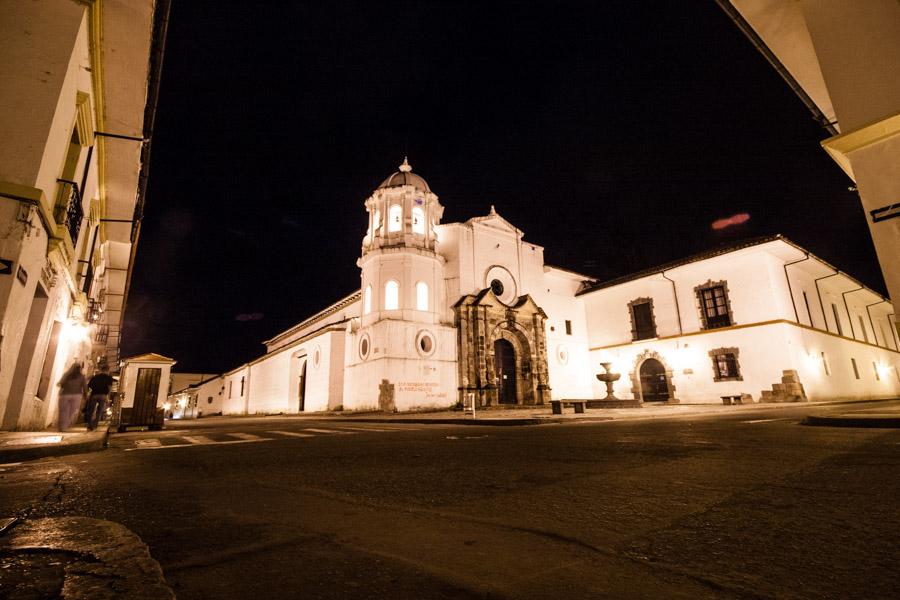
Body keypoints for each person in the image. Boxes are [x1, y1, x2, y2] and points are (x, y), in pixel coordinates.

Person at [57, 363, 86, 431]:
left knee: (64, 411)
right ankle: (64, 426)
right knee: (72, 411)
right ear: (80, 369)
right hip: (77, 395)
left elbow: (60, 383)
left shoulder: (66, 375)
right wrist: (85, 395)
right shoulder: (82, 376)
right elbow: (84, 387)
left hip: (65, 394)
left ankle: (62, 426)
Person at [85, 365, 114, 431]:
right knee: (99, 411)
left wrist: (88, 394)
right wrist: (107, 397)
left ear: (101, 370)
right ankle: (95, 425)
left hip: (94, 394)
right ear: (108, 370)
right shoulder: (109, 378)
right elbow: (109, 388)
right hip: (103, 395)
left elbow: (89, 386)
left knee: (90, 410)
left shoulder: (95, 377)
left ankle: (89, 425)